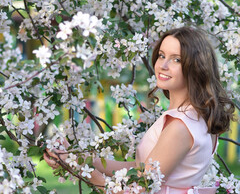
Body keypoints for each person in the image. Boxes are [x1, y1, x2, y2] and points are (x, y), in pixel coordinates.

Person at [44, 26, 235, 193]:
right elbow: (140, 170)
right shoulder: (196, 116)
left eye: (176, 59)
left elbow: (134, 190)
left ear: (195, 67)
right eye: (161, 55)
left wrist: (78, 168)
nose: (163, 65)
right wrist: (83, 158)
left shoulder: (181, 126)